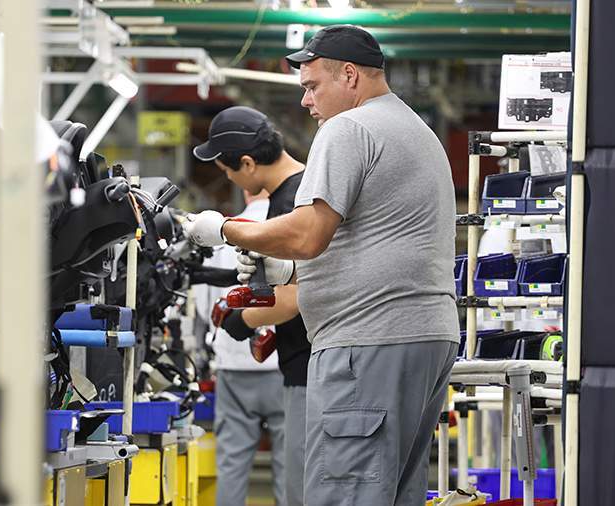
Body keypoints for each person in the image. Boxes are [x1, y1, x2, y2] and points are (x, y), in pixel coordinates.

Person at [183, 25, 459, 506]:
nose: (306, 101)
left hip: (368, 341)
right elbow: (376, 236)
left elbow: (308, 235)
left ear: (349, 75)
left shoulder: (349, 128)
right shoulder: (415, 129)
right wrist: (292, 273)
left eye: (312, 86)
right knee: (392, 494)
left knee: (345, 494)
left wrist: (224, 229)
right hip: (426, 336)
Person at [193, 106, 312, 506]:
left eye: (227, 170)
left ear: (246, 163)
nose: (227, 178)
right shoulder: (301, 189)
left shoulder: (292, 201)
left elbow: (295, 297)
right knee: (292, 478)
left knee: (299, 489)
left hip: (308, 369)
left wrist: (241, 320)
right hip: (300, 365)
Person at [194, 189, 287, 506]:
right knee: (291, 466)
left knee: (232, 465)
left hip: (233, 365)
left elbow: (205, 303)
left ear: (246, 187)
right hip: (282, 364)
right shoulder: (289, 226)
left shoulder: (223, 231)